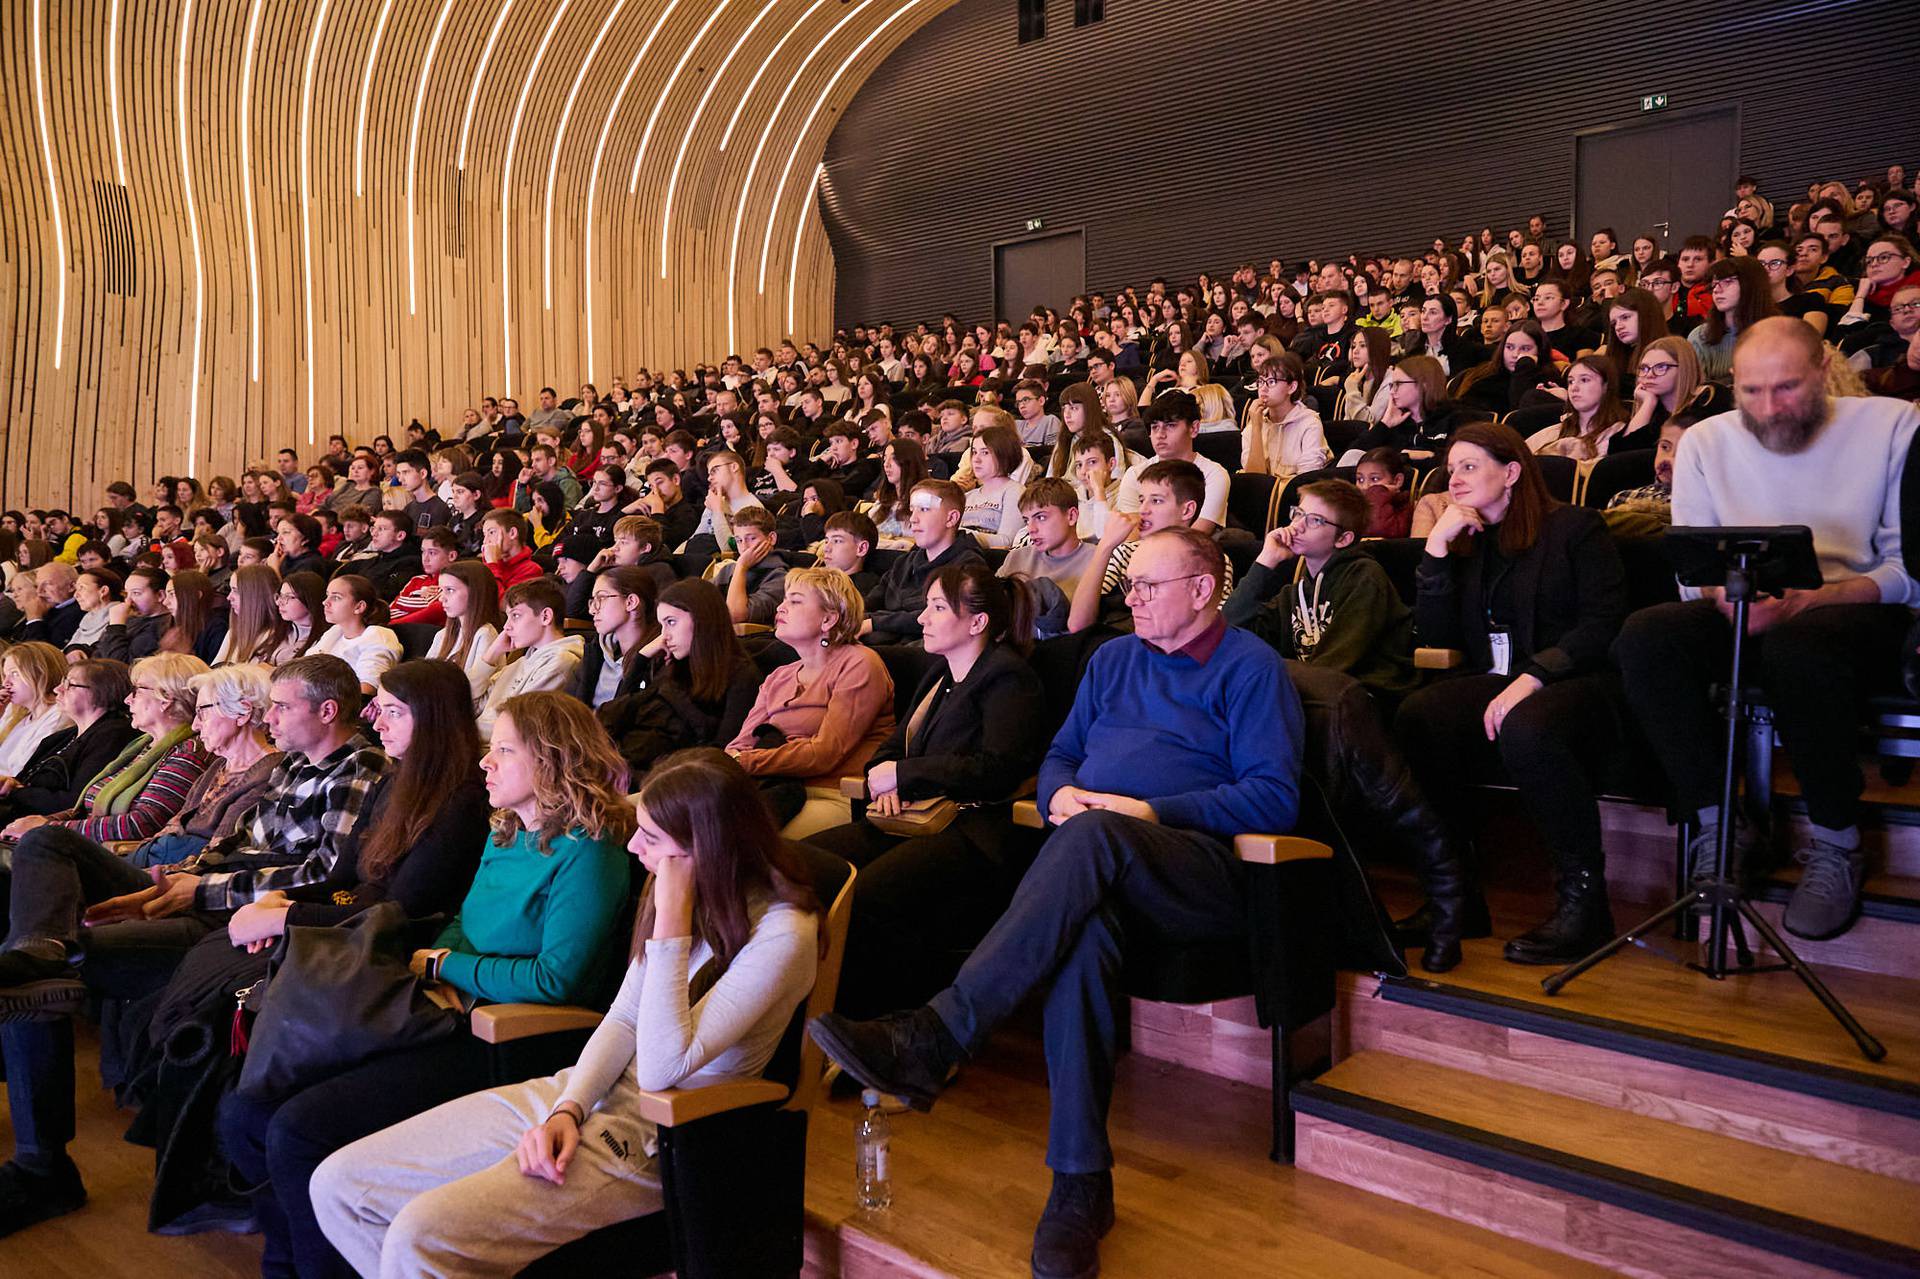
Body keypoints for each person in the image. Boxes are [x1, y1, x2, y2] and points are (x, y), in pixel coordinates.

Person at [809, 527, 1302, 1279]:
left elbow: (1273, 796)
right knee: (1083, 935)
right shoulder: (1111, 661)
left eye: (1147, 586)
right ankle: (1079, 1187)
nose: (1127, 597)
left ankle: (938, 1034)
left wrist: (1148, 813)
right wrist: (1059, 792)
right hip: (1100, 864)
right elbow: (1060, 757)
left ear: (1203, 591)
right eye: (1128, 584)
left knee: (1097, 836)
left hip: (1197, 871)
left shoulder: (1251, 669)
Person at [310, 749, 819, 1277]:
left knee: (420, 1238)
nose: (632, 845)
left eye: (651, 839)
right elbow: (622, 1021)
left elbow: (666, 1067)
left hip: (664, 1133)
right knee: (340, 1185)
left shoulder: (782, 933)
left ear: (705, 850)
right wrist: (566, 1110)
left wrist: (670, 920)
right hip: (587, 1091)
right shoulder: (691, 889)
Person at [1614, 317, 1920, 940]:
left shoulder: (1892, 425)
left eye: (1785, 388)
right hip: (1744, 600)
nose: (1768, 406)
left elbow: (1906, 572)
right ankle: (1720, 824)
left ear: (1822, 373)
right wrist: (1726, 599)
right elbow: (1692, 569)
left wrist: (1813, 600)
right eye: (1751, 392)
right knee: (1646, 638)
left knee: (1797, 648)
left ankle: (1836, 841)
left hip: (1854, 610)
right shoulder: (1705, 442)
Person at [216, 660, 496, 1277]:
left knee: (268, 1113)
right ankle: (285, 1253)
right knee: (238, 1107)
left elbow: (404, 908)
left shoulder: (463, 800)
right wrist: (284, 907)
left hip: (393, 969)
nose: (374, 717)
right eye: (379, 706)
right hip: (356, 944)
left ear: (433, 719)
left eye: (392, 709)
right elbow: (348, 875)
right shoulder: (400, 781)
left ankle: (295, 1263)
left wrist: (288, 920)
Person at [1393, 422, 1628, 966]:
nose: (1454, 479)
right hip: (1503, 683)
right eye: (1451, 469)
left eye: (1469, 466)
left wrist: (1534, 675)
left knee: (1529, 724)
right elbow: (1436, 638)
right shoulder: (1469, 542)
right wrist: (1435, 549)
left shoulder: (1574, 528)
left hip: (1579, 682)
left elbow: (1602, 624)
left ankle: (1586, 903)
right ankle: (1456, 897)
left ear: (1513, 472)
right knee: (1419, 716)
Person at [809, 563, 1046, 1015]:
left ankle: (893, 1018)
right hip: (909, 817)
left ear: (978, 623)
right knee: (808, 865)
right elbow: (891, 749)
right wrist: (888, 780)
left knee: (868, 894)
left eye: (937, 608)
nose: (921, 618)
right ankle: (819, 1009)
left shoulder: (1008, 678)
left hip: (972, 828)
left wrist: (905, 775)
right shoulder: (939, 676)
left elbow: (997, 768)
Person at [728, 567, 896, 838]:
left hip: (830, 794)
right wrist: (734, 761)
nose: (781, 607)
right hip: (771, 786)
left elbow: (824, 754)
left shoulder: (860, 663)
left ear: (828, 618)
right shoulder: (778, 677)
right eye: (784, 599)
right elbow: (739, 746)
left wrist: (745, 762)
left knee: (734, 843)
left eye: (795, 601)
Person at [1224, 481, 1416, 701]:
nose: (1297, 526)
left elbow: (1336, 664)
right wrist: (1265, 562)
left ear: (1343, 539)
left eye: (1315, 520)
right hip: (1314, 695)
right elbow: (1230, 631)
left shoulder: (1365, 578)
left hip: (1365, 697)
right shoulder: (1294, 595)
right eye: (1298, 514)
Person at [1069, 460, 1235, 634]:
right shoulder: (1126, 552)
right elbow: (1078, 624)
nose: (1143, 510)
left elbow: (1213, 631)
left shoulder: (1212, 562)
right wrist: (1105, 546)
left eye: (1156, 501)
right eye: (1142, 500)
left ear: (1187, 510)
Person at [862, 479, 986, 644]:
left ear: (951, 518)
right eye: (912, 510)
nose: (913, 519)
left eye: (924, 509)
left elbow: (938, 618)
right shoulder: (904, 562)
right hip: (882, 641)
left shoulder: (969, 567)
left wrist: (874, 623)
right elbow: (872, 601)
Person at [477, 578, 585, 738]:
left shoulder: (561, 662)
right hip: (479, 743)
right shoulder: (521, 661)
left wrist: (462, 731)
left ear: (546, 617)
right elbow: (473, 705)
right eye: (507, 617)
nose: (506, 627)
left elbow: (517, 726)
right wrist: (491, 654)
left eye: (516, 616)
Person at [1113, 392, 1229, 534]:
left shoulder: (1214, 474)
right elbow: (1131, 534)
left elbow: (1199, 533)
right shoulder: (1135, 474)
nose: (1160, 435)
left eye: (1170, 426)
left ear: (1194, 428)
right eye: (1155, 427)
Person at [573, 566, 661, 709]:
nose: (592, 610)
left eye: (601, 598)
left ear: (631, 602)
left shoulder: (657, 660)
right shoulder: (596, 651)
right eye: (593, 600)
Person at [1241, 352, 1331, 479]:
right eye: (1261, 381)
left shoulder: (1309, 423)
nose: (1263, 389)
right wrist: (1256, 427)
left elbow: (1307, 480)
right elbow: (1253, 481)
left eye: (1271, 381)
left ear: (1292, 387)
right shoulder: (1254, 423)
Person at [309, 574, 405, 693]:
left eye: (336, 597)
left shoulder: (377, 636)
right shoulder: (335, 632)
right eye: (327, 596)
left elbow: (367, 689)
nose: (325, 602)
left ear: (359, 607)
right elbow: (304, 669)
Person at [1526, 354, 1633, 460]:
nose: (1574, 388)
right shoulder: (1557, 430)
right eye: (1570, 382)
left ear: (1606, 386)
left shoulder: (1618, 433)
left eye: (1584, 380)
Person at [1690, 256, 1778, 384]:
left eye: (1728, 282)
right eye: (1715, 284)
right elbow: (1695, 392)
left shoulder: (1779, 333)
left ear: (1751, 285)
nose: (1717, 290)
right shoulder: (1700, 336)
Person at [0, 642, 73, 782]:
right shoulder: (13, 713)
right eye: (5, 675)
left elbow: (22, 771)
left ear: (41, 672)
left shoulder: (59, 715)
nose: (6, 683)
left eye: (15, 673)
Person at [717, 506, 796, 626]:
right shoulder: (728, 570)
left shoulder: (779, 578)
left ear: (771, 538)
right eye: (739, 540)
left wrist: (741, 567)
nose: (744, 547)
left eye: (751, 538)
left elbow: (736, 615)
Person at [961, 424, 1027, 549]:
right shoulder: (968, 496)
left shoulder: (1014, 491)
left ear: (1004, 454)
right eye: (974, 452)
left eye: (985, 452)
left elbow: (1007, 541)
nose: (976, 459)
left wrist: (961, 536)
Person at [387, 525, 459, 627]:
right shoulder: (416, 580)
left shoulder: (454, 582)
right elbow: (393, 607)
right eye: (423, 552)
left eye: (432, 553)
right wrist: (418, 595)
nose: (425, 558)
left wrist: (405, 600)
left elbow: (433, 609)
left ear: (451, 556)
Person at [96, 565, 171, 663]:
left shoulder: (161, 628)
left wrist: (116, 625)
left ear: (160, 595)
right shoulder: (133, 618)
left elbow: (120, 664)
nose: (128, 601)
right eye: (126, 594)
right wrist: (77, 648)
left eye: (136, 593)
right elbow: (100, 647)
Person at [481, 508, 544, 594]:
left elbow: (503, 605)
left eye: (491, 532)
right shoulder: (493, 564)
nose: (485, 541)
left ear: (512, 533)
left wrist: (492, 564)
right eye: (484, 535)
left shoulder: (531, 570)